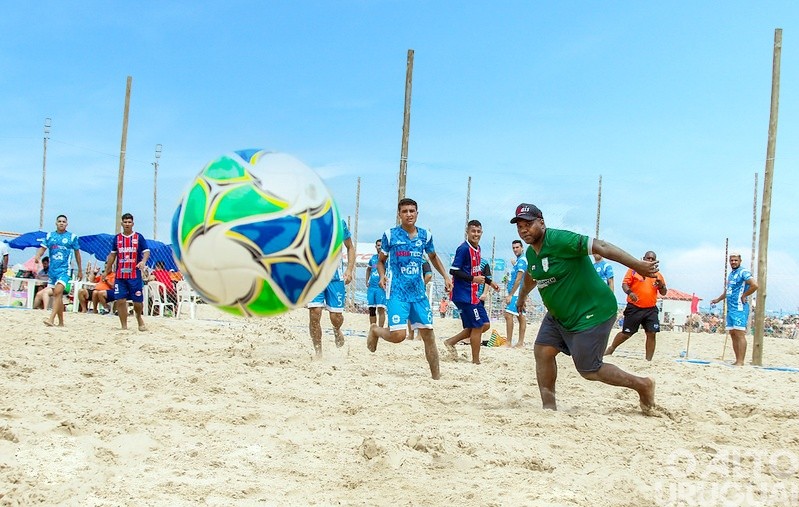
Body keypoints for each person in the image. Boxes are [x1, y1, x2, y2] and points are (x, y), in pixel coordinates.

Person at [511, 203, 656, 413]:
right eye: (520, 226)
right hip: (559, 315)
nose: (524, 230)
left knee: (589, 370)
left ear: (541, 223)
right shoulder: (532, 254)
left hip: (592, 312)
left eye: (528, 224)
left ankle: (643, 384)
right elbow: (530, 277)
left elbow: (601, 246)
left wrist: (637, 264)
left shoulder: (560, 239)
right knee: (542, 351)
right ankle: (549, 409)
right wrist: (522, 297)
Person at [366, 198, 453, 379]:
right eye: (405, 211)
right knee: (398, 335)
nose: (409, 214)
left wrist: (445, 276)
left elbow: (433, 257)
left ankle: (436, 378)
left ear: (417, 213)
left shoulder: (425, 236)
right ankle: (375, 329)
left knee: (429, 335)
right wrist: (382, 276)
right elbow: (381, 261)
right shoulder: (390, 235)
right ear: (399, 214)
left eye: (412, 211)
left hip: (418, 293)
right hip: (397, 292)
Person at [444, 220, 499, 364]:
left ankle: (451, 341)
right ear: (467, 232)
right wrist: (473, 279)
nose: (476, 234)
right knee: (477, 326)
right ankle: (476, 361)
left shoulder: (478, 248)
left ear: (482, 233)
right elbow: (453, 271)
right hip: (463, 295)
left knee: (485, 324)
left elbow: (476, 271)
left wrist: (490, 282)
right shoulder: (463, 249)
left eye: (478, 231)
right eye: (473, 231)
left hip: (473, 295)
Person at [604, 251, 667, 361]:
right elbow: (624, 284)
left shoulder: (658, 275)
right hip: (634, 307)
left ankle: (648, 360)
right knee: (626, 334)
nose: (650, 260)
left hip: (650, 309)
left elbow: (664, 292)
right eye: (648, 258)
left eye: (652, 259)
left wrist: (661, 285)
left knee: (651, 333)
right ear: (643, 258)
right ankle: (612, 348)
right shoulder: (633, 270)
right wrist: (630, 293)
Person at [307, 219, 355, 358]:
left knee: (336, 317)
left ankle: (336, 329)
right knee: (314, 313)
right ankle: (318, 352)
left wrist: (349, 270)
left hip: (335, 278)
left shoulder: (339, 223)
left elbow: (350, 247)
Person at [710, 252, 759, 366]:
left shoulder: (743, 272)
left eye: (736, 260)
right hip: (730, 308)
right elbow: (728, 291)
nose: (733, 262)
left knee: (739, 333)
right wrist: (718, 299)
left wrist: (745, 295)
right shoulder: (731, 274)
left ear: (740, 261)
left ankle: (741, 361)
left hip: (739, 307)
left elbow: (755, 285)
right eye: (731, 260)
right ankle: (737, 360)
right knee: (732, 333)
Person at [103, 213, 150, 331]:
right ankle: (124, 326)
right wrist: (107, 271)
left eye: (129, 222)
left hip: (134, 275)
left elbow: (146, 251)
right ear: (122, 223)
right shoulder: (117, 238)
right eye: (125, 222)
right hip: (120, 275)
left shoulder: (138, 237)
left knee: (137, 302)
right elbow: (112, 255)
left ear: (133, 224)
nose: (127, 224)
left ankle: (138, 317)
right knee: (120, 300)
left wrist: (143, 261)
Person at [33, 215, 82, 327]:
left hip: (64, 270)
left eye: (63, 221)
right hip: (53, 271)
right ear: (56, 223)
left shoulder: (72, 237)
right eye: (59, 221)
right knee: (58, 296)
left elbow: (77, 254)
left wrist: (80, 269)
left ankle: (51, 319)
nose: (61, 223)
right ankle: (61, 322)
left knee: (57, 293)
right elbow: (42, 248)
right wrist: (38, 256)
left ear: (67, 224)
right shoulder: (50, 236)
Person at [504, 240, 528, 347]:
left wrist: (510, 295)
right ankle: (520, 342)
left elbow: (518, 279)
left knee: (508, 315)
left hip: (516, 292)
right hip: (519, 292)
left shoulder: (522, 261)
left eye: (517, 247)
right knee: (520, 315)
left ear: (522, 248)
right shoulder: (520, 261)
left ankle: (509, 342)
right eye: (513, 248)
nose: (515, 249)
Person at [406, 259, 432, 341]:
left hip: (412, 290)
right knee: (416, 312)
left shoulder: (422, 261)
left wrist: (421, 284)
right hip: (415, 290)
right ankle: (416, 335)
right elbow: (429, 275)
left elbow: (429, 275)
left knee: (413, 312)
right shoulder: (423, 261)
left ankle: (413, 335)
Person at [365, 239, 387, 328]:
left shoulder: (387, 259)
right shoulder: (373, 258)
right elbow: (368, 269)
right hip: (372, 287)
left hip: (381, 287)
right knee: (371, 309)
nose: (380, 247)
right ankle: (373, 329)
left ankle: (380, 329)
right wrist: (367, 281)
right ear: (375, 247)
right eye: (378, 245)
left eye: (381, 245)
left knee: (381, 309)